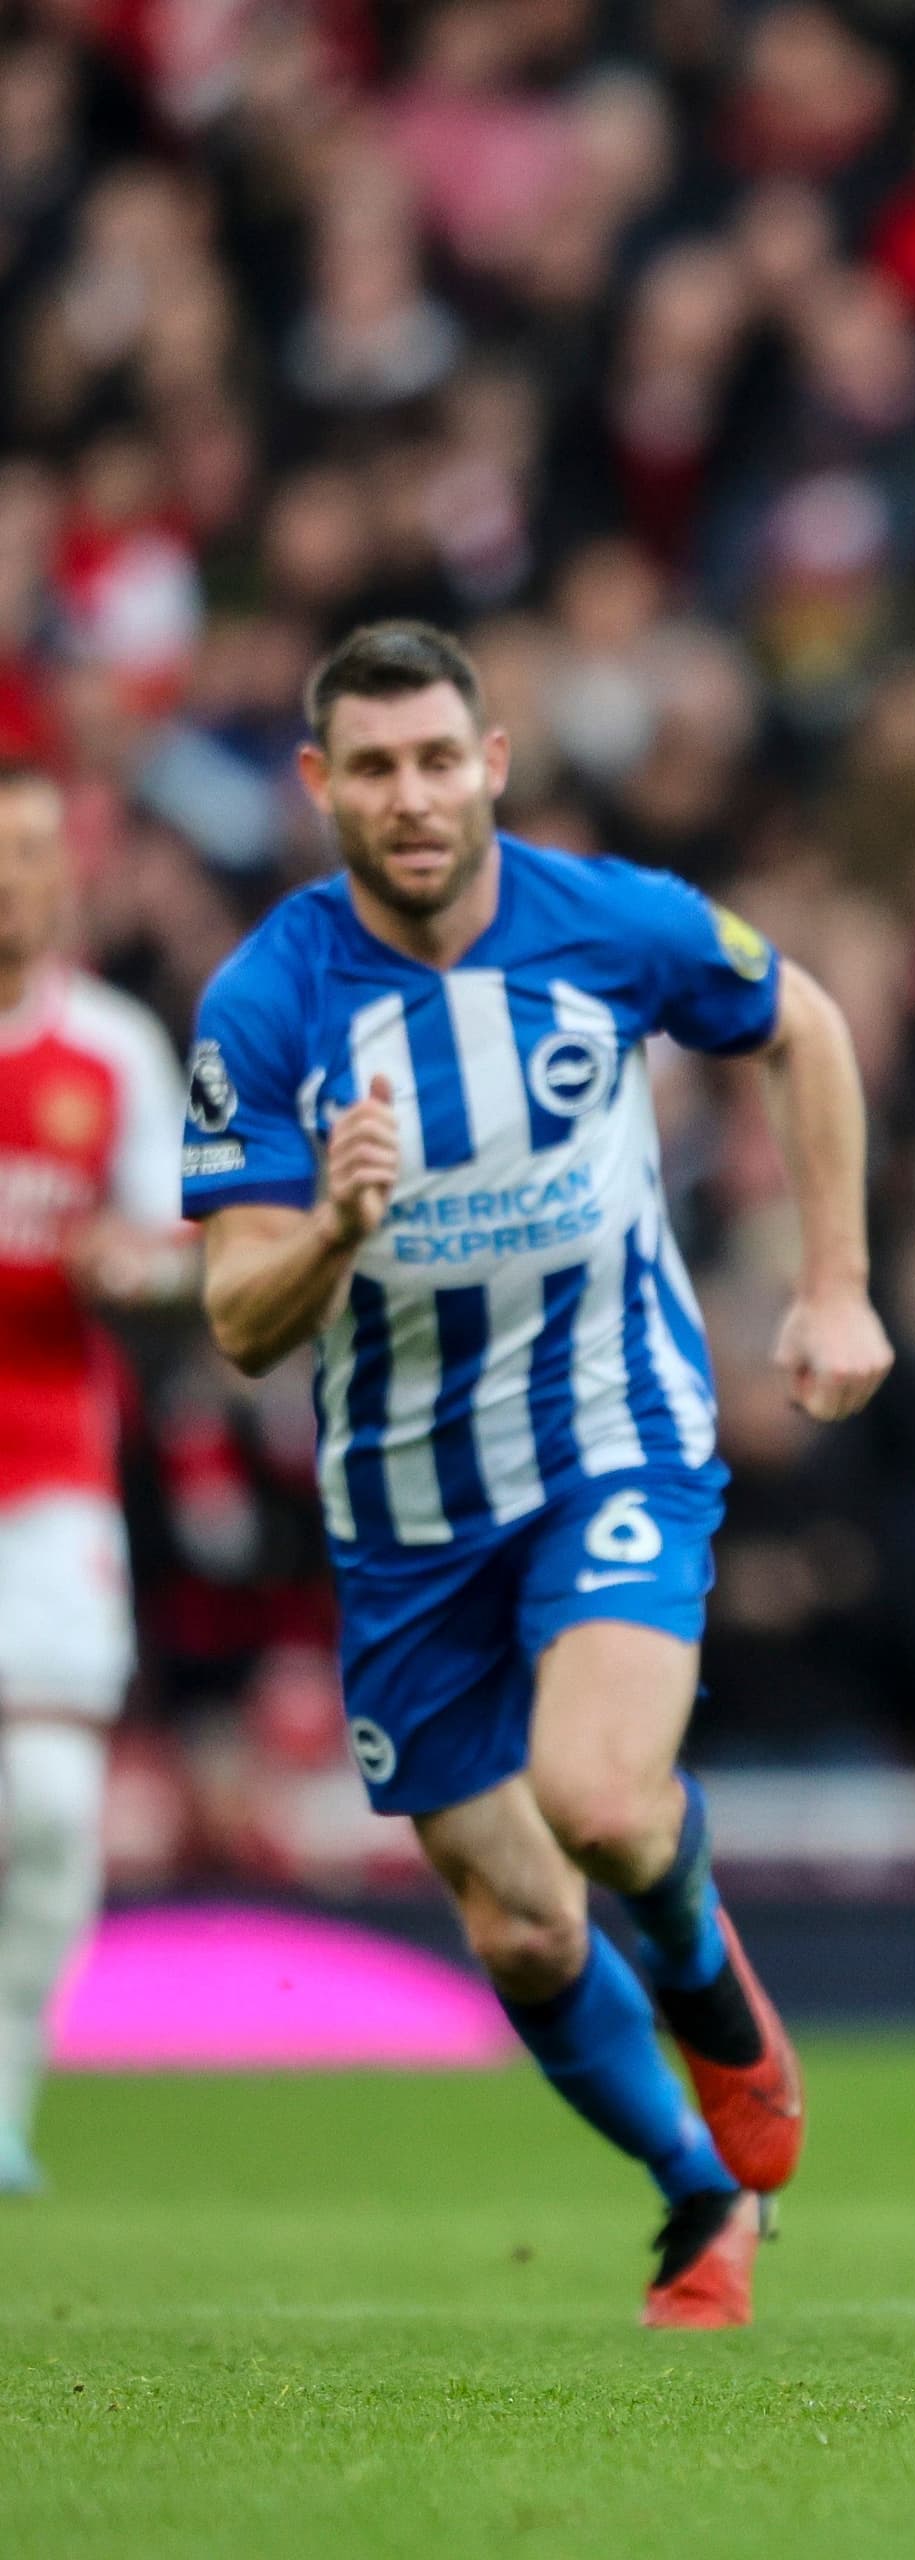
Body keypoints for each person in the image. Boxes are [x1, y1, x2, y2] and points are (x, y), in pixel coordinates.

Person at [184, 624, 894, 2327]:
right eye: (374, 768)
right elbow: (238, 1323)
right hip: (404, 1513)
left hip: (611, 1438)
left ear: (493, 762)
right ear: (320, 788)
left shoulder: (611, 924)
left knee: (599, 1799)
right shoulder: (268, 1000)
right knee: (515, 1929)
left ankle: (721, 2010)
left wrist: (836, 1281)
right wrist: (338, 1229)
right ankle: (698, 2196)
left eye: (440, 760)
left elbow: (804, 1026)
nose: (413, 798)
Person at [0, 766, 191, 2195]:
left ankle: (5, 2108)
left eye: (30, 854)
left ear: (68, 875)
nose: (12, 880)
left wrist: (142, 1266)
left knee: (55, 1805)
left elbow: (181, 1246)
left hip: (51, 1463)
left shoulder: (114, 1051)